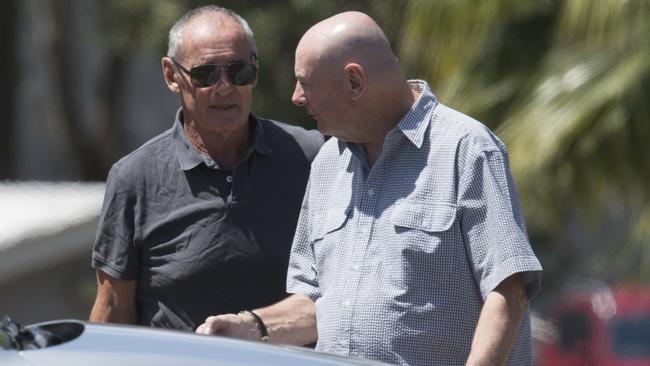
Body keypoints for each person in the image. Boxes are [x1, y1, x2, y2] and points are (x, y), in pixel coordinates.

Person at [196, 11, 543, 366]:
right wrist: (251, 326)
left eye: (305, 82)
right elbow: (319, 302)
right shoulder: (327, 162)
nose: (297, 97)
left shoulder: (466, 148)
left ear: (354, 82)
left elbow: (507, 292)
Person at [89, 5, 323, 331]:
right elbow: (113, 313)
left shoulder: (311, 157)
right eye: (206, 74)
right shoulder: (135, 178)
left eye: (239, 71)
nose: (225, 87)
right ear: (172, 76)